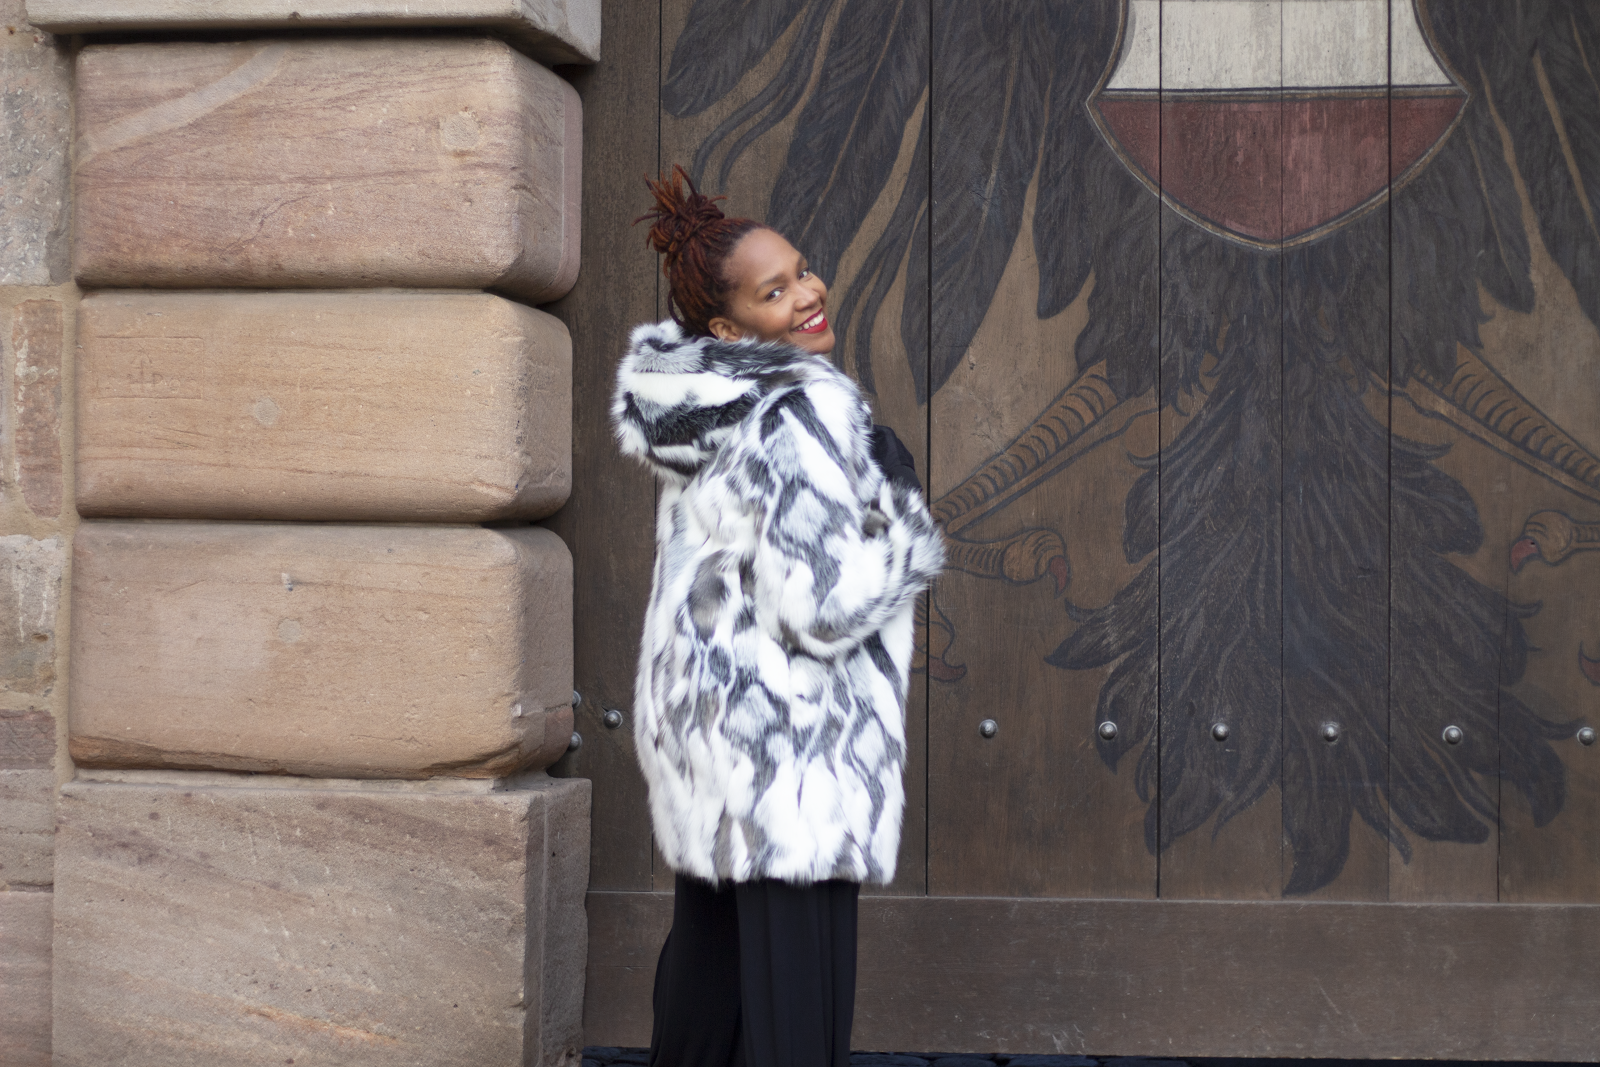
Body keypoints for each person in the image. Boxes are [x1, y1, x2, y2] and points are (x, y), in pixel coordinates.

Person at [612, 165, 944, 1067]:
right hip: (792, 752)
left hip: (716, 734)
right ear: (727, 328)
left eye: (802, 270)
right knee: (797, 1011)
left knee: (709, 986)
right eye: (775, 291)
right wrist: (903, 521)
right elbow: (825, 608)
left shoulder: (705, 406)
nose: (807, 293)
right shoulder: (795, 411)